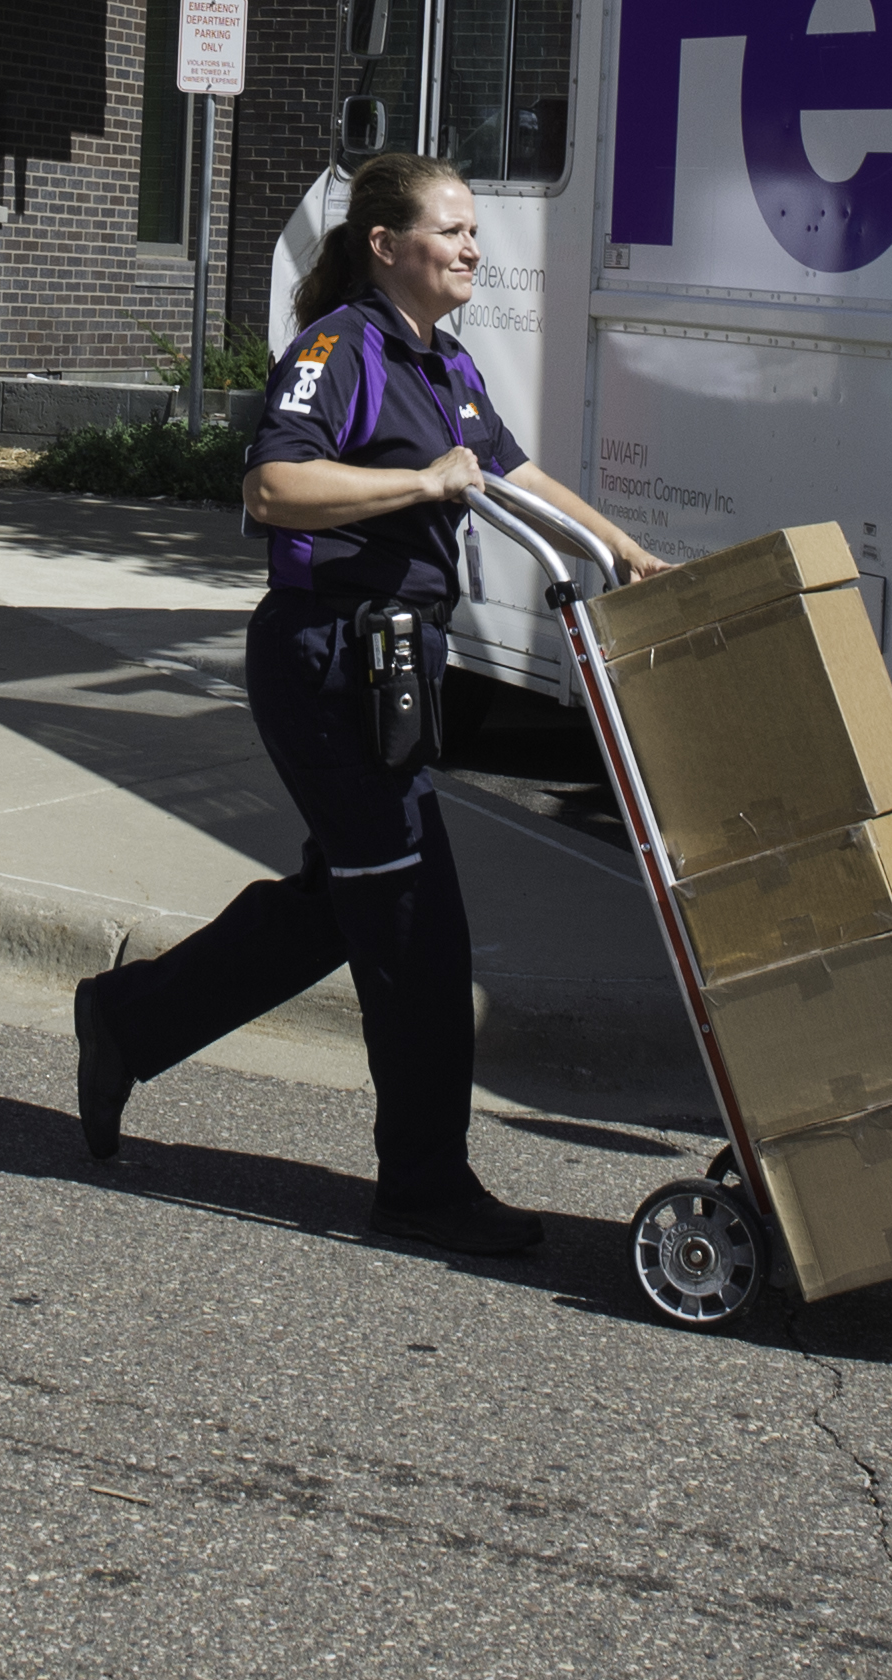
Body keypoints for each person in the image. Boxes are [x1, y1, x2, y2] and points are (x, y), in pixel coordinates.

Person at [69, 153, 662, 1258]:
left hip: (389, 659)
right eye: (451, 229)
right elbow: (270, 486)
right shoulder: (341, 347)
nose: (472, 247)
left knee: (345, 902)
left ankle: (128, 1019)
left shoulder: (439, 362)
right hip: (323, 658)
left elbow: (510, 473)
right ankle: (423, 1187)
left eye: (476, 231)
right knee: (414, 924)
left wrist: (620, 548)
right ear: (386, 243)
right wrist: (422, 484)